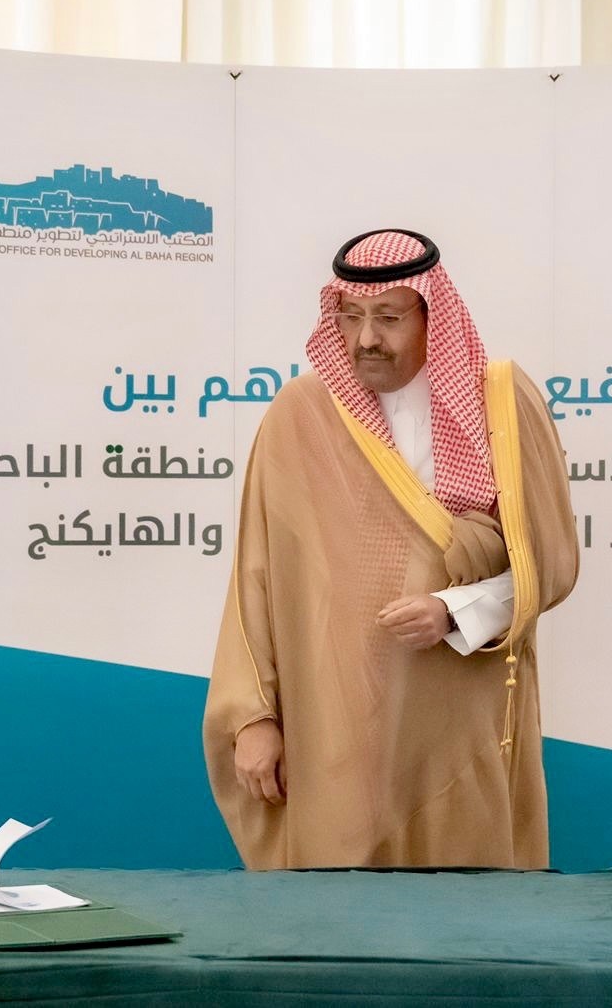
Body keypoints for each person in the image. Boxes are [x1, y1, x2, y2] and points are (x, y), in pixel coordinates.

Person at [203, 228, 578, 869]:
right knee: (339, 893)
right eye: (350, 317)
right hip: (336, 712)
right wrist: (253, 717)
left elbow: (548, 563)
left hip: (460, 712)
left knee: (465, 893)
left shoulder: (503, 403)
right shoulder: (300, 415)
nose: (366, 339)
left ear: (433, 316)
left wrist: (454, 611)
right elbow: (255, 579)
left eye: (388, 318)